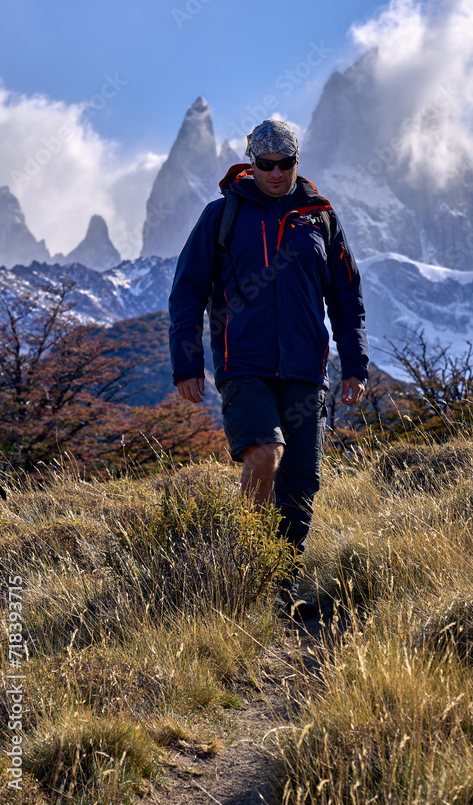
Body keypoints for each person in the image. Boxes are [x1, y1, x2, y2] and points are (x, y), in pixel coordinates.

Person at [168, 119, 369, 616]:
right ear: (250, 162)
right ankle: (245, 567)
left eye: (286, 164)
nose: (277, 173)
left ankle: (277, 587)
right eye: (266, 165)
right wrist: (186, 362)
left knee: (301, 481)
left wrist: (355, 367)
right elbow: (187, 293)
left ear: (297, 161)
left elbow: (347, 297)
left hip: (305, 371)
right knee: (263, 454)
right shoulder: (223, 216)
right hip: (244, 366)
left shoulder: (320, 219)